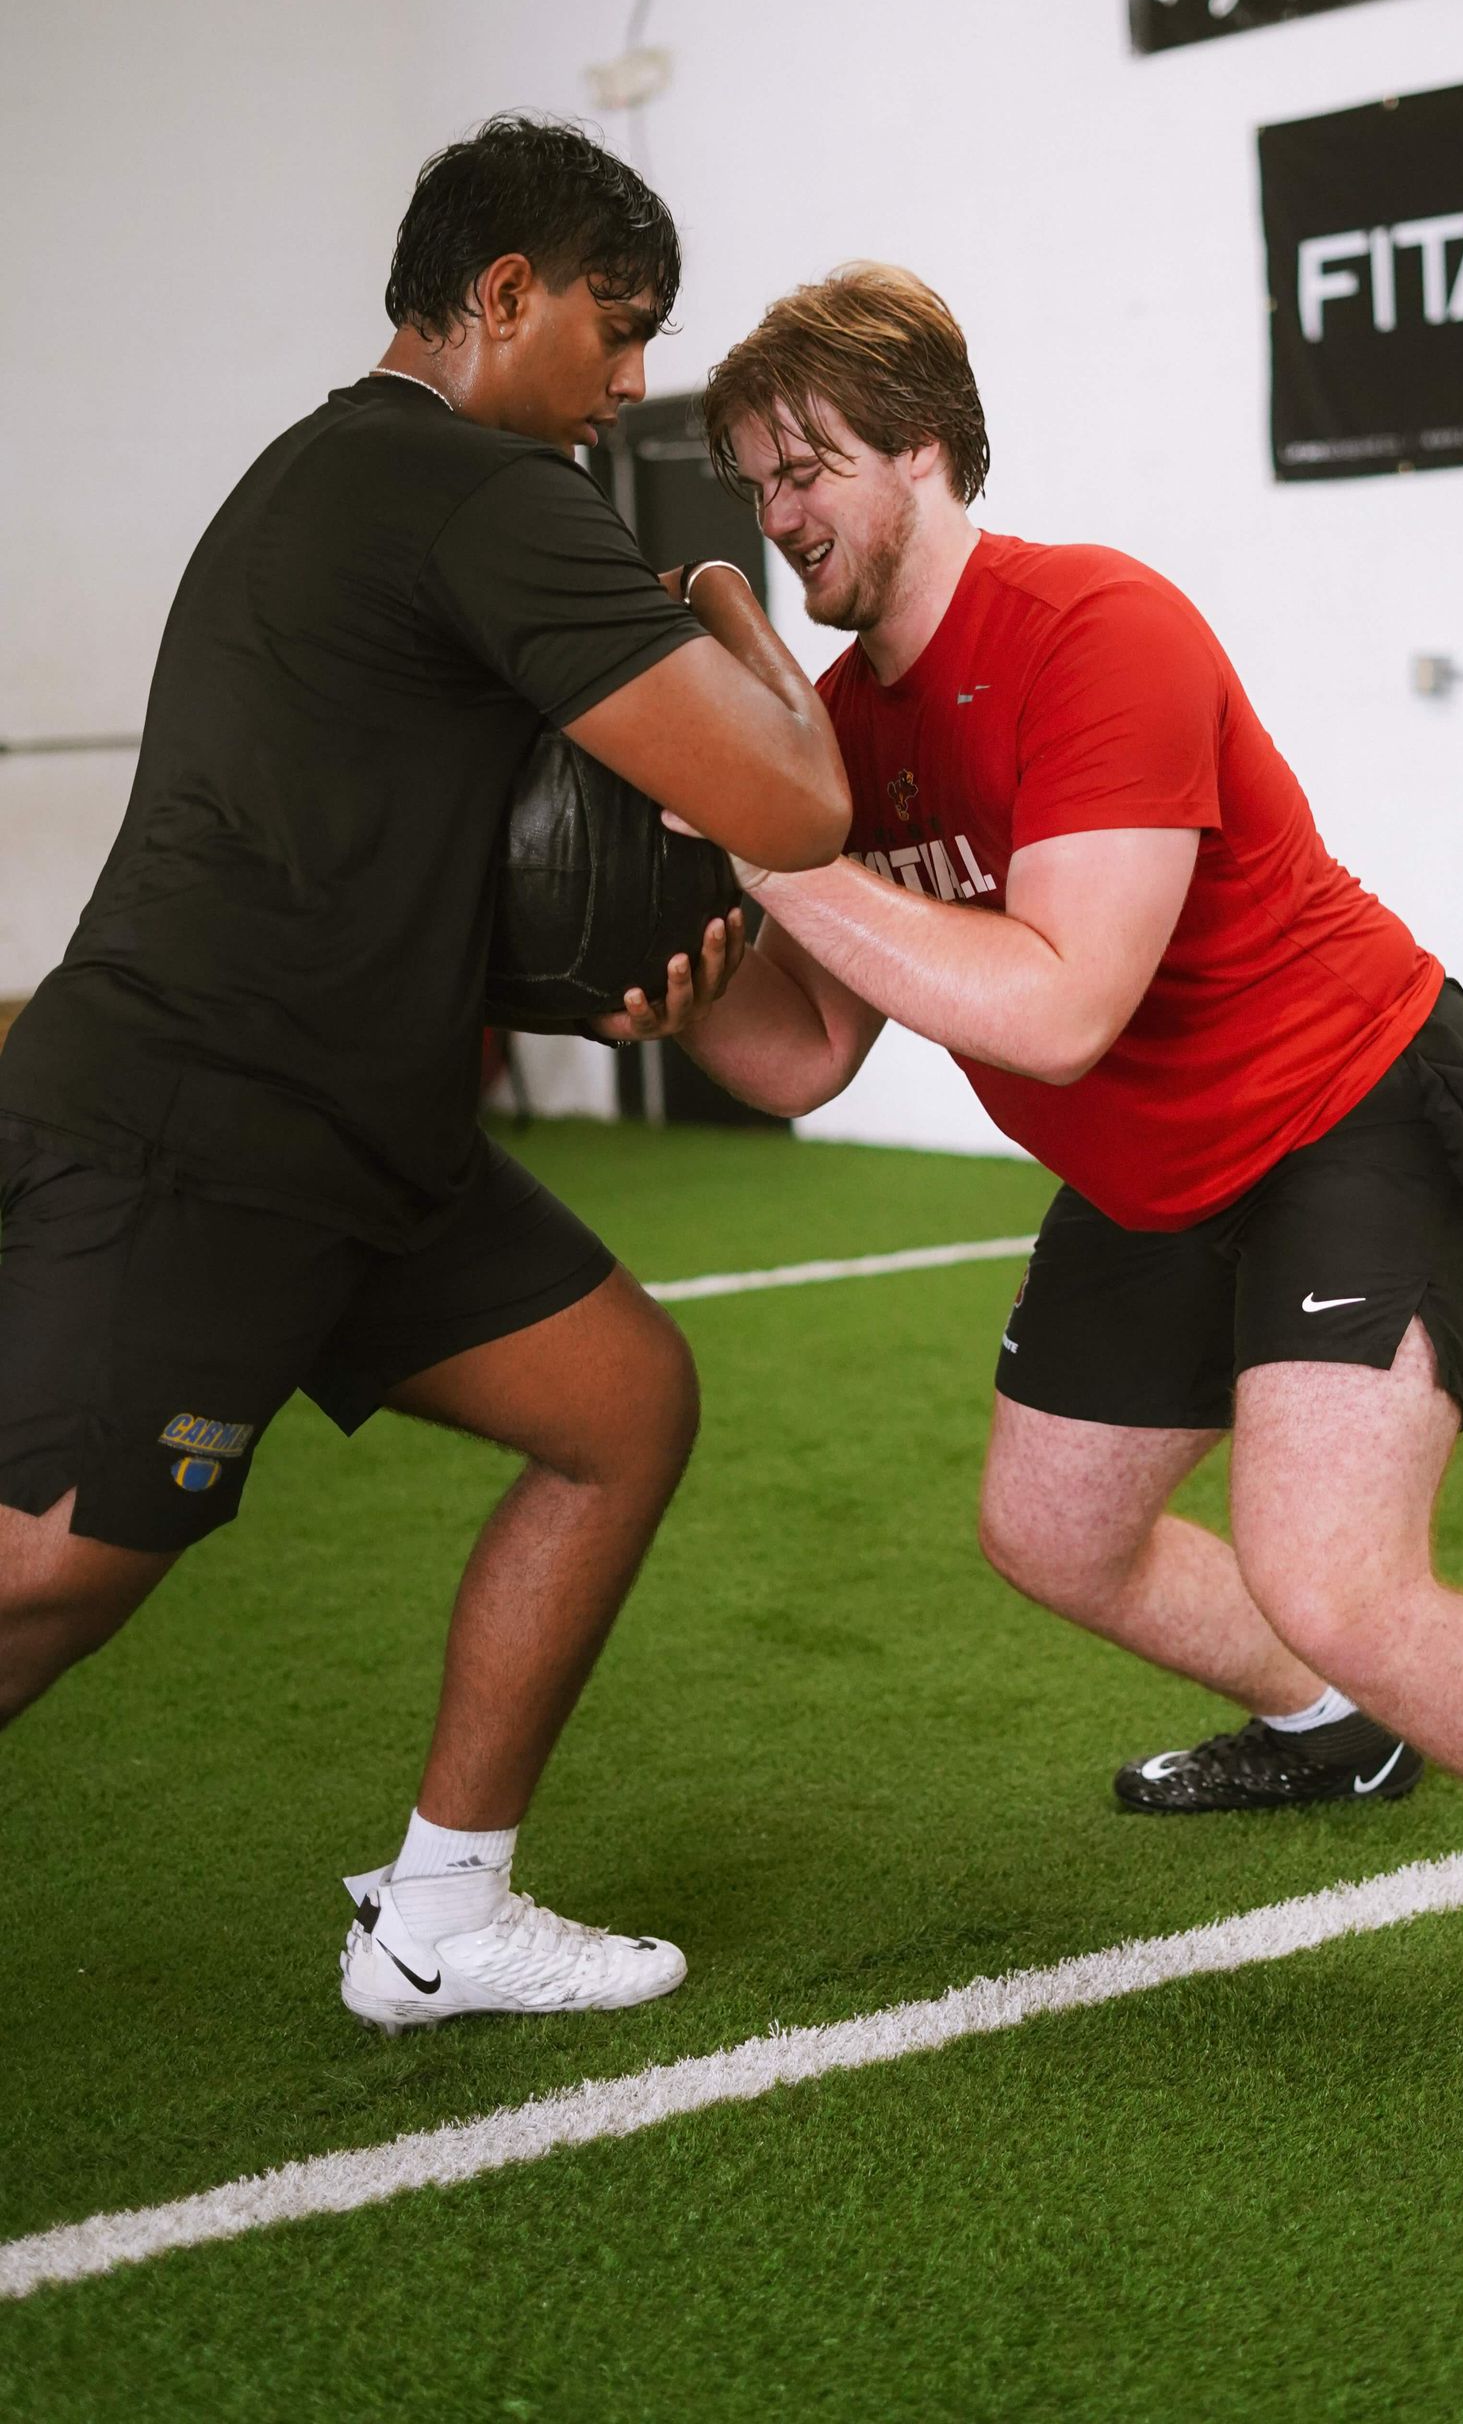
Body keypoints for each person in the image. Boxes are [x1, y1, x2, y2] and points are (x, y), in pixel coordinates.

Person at [631, 262, 1463, 2056]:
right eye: (758, 482)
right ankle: (1339, 1728)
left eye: (813, 468)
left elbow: (1064, 1007)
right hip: (1156, 1168)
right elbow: (799, 1053)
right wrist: (668, 978)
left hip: (1353, 1107)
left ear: (928, 450)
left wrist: (766, 848)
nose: (782, 516)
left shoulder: (1100, 626)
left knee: (1336, 1574)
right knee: (1051, 1531)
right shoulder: (845, 736)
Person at [0, 118, 848, 2032]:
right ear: (504, 296)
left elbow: (388, 853)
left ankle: (442, 1915)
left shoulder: (326, 473)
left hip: (354, 1127)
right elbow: (793, 800)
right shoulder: (485, 493)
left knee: (621, 1402)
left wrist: (586, 987)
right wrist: (724, 589)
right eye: (619, 332)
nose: (635, 383)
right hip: (202, 1129)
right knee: (46, 1578)